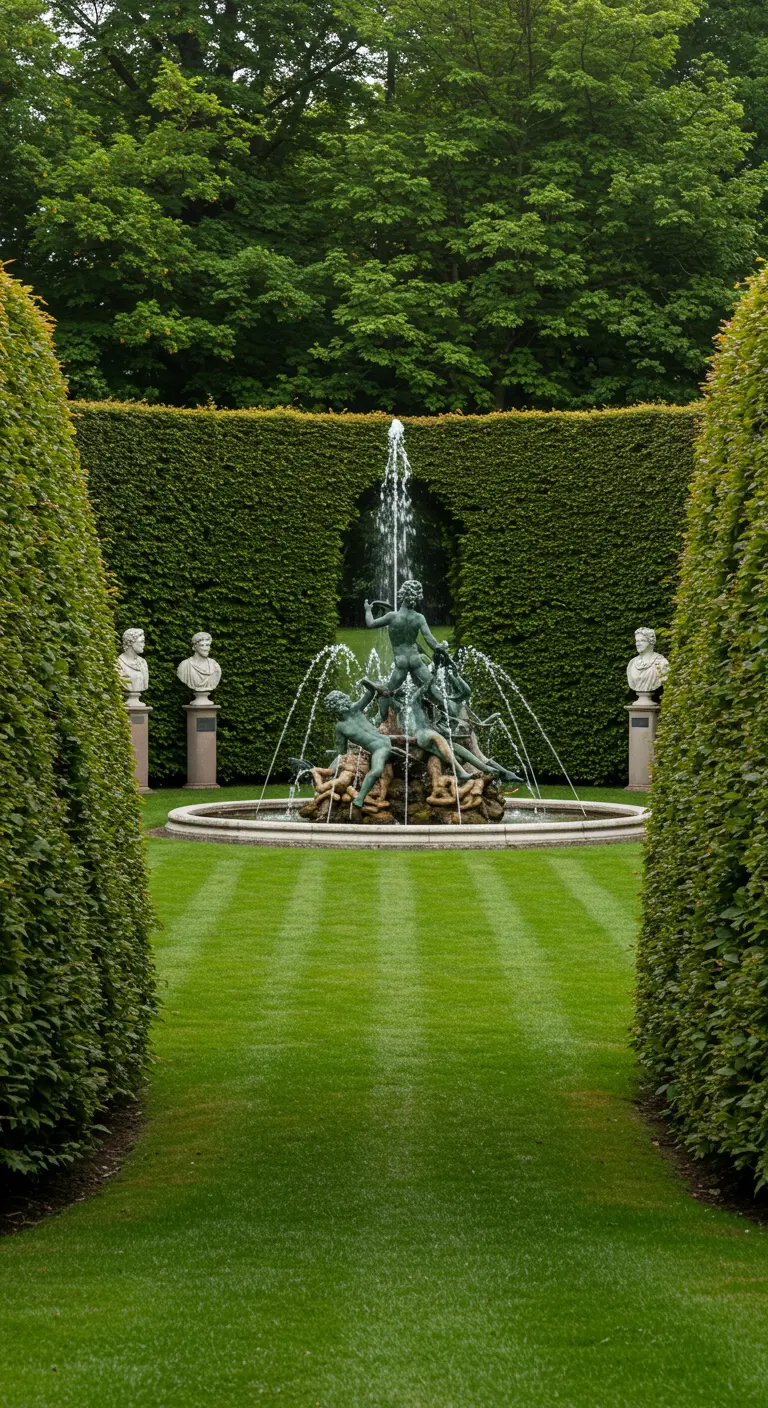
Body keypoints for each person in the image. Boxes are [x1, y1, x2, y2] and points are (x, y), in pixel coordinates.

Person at [364, 579, 451, 717]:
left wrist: (368, 610)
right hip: (415, 659)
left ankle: (381, 720)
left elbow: (371, 624)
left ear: (402, 595)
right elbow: (431, 641)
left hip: (401, 660)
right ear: (416, 598)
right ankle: (449, 717)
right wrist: (441, 649)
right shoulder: (419, 618)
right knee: (431, 687)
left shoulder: (392, 616)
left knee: (387, 691)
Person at [324, 679, 393, 810]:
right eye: (335, 704)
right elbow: (342, 750)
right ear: (333, 709)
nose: (340, 705)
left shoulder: (355, 708)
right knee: (376, 770)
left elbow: (370, 693)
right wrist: (337, 755)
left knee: (376, 770)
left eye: (340, 701)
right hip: (379, 749)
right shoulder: (340, 728)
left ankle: (360, 798)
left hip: (385, 741)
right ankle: (360, 798)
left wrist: (366, 681)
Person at [176, 632, 222, 701]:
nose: (206, 648)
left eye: (207, 645)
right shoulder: (184, 665)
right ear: (194, 647)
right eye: (202, 645)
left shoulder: (215, 666)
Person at [626, 628, 669, 699]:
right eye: (637, 641)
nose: (638, 644)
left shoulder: (662, 662)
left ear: (651, 642)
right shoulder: (632, 663)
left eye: (642, 640)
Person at [116, 627, 148, 697]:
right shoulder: (118, 663)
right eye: (142, 642)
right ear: (131, 642)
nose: (144, 645)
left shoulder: (143, 662)